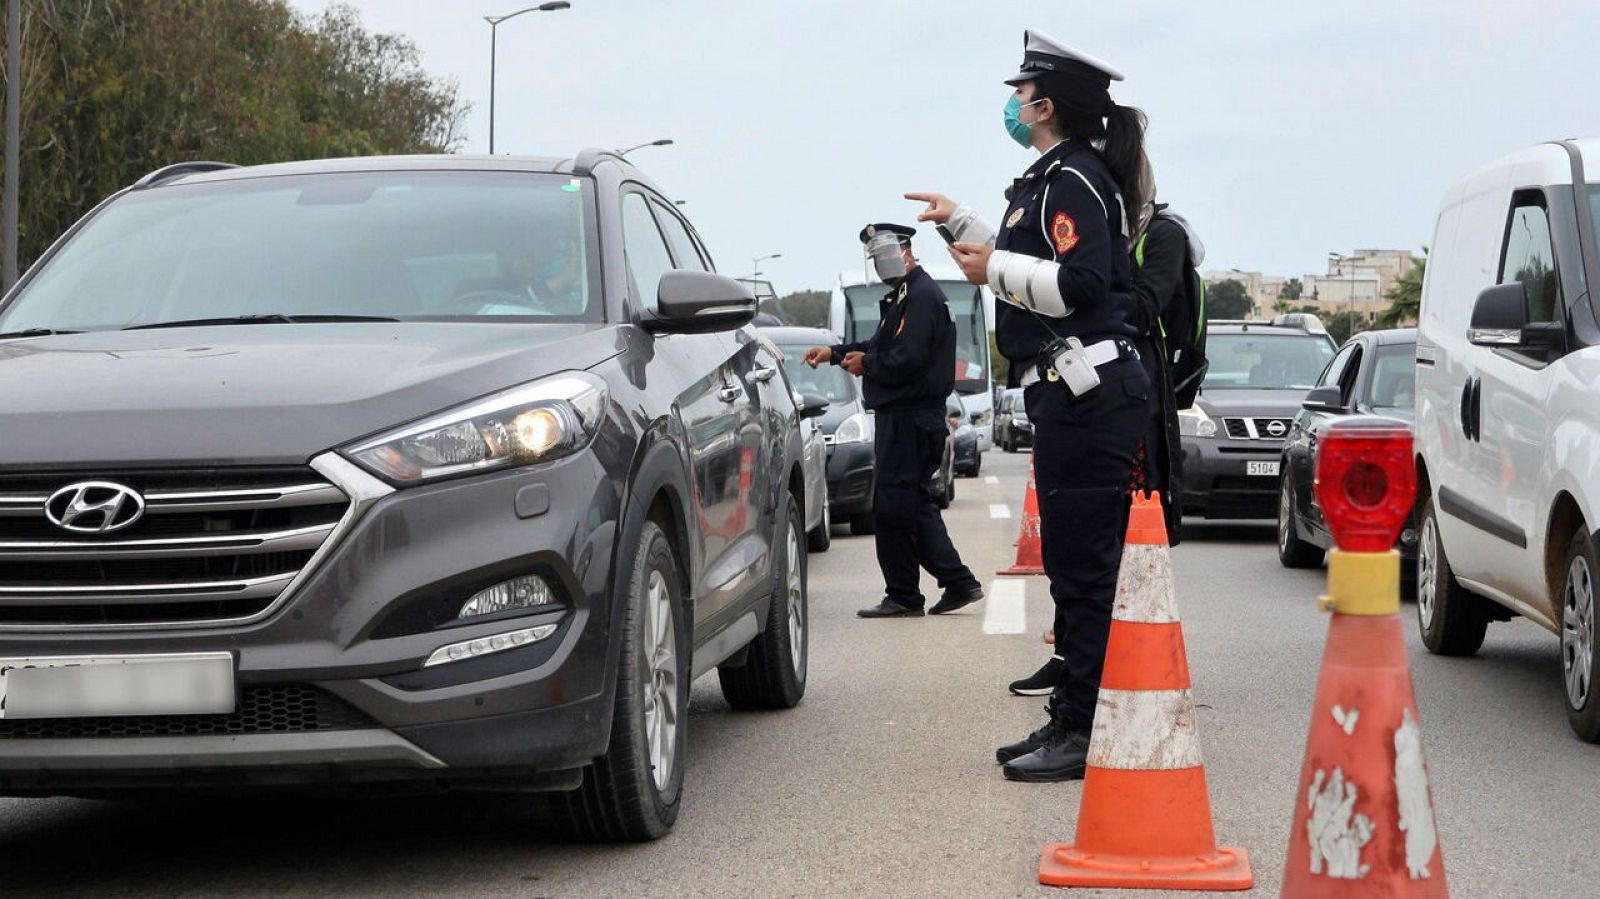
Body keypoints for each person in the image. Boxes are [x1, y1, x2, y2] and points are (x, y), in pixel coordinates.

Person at [907, 30, 1153, 782]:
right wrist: (962, 223)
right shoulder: (1052, 178)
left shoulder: (1072, 177)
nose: (1013, 105)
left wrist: (995, 271)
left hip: (1089, 393)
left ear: (1045, 105)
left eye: (1020, 94)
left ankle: (1085, 726)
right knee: (1073, 566)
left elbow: (1077, 284)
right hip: (1071, 396)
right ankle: (1072, 714)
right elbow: (1029, 259)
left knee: (1084, 569)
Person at [1006, 183, 1201, 697]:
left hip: (1129, 396)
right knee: (1076, 542)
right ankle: (1071, 656)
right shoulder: (1113, 230)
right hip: (1089, 384)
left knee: (1110, 542)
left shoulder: (1161, 235)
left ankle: (1120, 667)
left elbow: (1142, 306)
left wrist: (1081, 293)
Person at [803, 224, 984, 619]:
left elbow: (909, 358)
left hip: (911, 418)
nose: (883, 266)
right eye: (877, 260)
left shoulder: (921, 297)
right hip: (903, 417)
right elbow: (883, 346)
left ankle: (920, 590)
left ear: (906, 252)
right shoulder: (905, 296)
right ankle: (942, 585)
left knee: (899, 506)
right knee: (905, 505)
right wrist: (837, 354)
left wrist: (867, 364)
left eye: (887, 256)